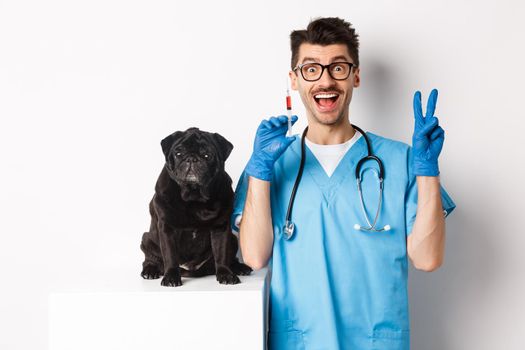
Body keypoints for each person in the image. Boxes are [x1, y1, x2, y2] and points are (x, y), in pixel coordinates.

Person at [231, 17, 456, 350]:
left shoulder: (401, 161)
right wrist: (261, 170)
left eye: (337, 68)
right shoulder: (270, 164)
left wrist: (427, 171)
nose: (325, 80)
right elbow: (253, 256)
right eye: (311, 69)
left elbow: (427, 259)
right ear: (294, 80)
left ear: (356, 76)